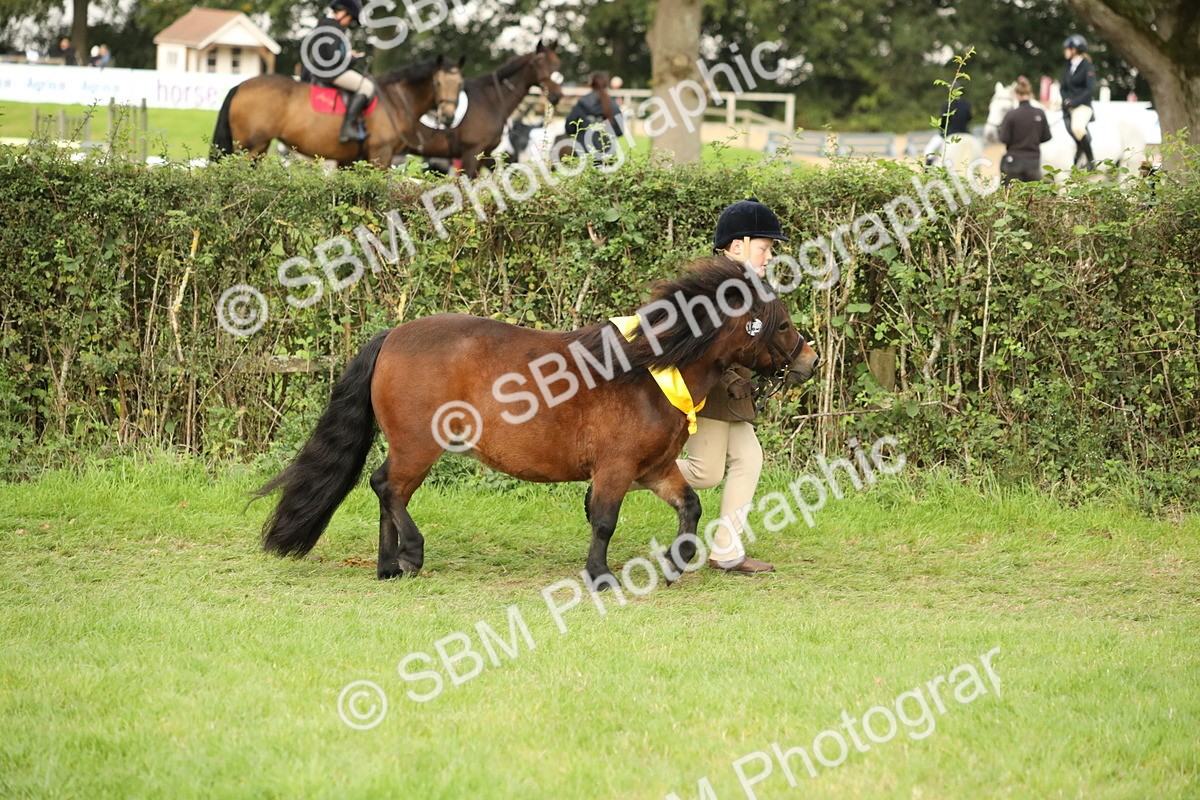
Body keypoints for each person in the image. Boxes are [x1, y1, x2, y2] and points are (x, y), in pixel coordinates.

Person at [676, 198, 790, 575]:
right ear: (737, 246)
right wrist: (730, 378)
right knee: (705, 473)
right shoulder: (717, 289)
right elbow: (704, 347)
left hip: (733, 398)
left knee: (749, 459)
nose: (769, 256)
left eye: (770, 250)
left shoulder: (749, 286)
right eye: (764, 248)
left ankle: (726, 550)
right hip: (711, 395)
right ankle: (619, 475)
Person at [302, 0, 374, 143]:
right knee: (367, 87)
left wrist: (347, 55)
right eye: (350, 18)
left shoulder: (325, 23)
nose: (349, 22)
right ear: (342, 13)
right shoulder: (333, 27)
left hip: (321, 69)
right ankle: (347, 129)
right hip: (330, 72)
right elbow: (330, 56)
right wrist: (351, 59)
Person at [998, 76, 1051, 184]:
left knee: (1013, 196)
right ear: (1031, 95)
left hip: (1014, 159)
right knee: (1032, 196)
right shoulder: (1040, 113)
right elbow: (1047, 136)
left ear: (1016, 95)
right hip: (1033, 160)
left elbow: (1004, 138)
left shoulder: (1011, 114)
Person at [565, 72, 624, 159]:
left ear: (591, 83)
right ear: (606, 84)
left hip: (582, 154)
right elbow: (619, 131)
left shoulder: (581, 103)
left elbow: (569, 127)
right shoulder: (613, 105)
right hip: (606, 155)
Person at [1061, 33, 1096, 169]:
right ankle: (1077, 153)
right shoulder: (1068, 66)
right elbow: (1063, 87)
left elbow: (1090, 89)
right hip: (1068, 106)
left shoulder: (1088, 67)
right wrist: (1065, 100)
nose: (1065, 52)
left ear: (1074, 50)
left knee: (1077, 128)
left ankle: (1091, 160)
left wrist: (1074, 102)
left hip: (1083, 106)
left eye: (1067, 49)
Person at [923, 95, 972, 165]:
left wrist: (941, 127)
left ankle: (927, 171)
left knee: (929, 150)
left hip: (948, 134)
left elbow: (942, 120)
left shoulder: (948, 105)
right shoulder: (967, 104)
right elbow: (969, 118)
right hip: (964, 133)